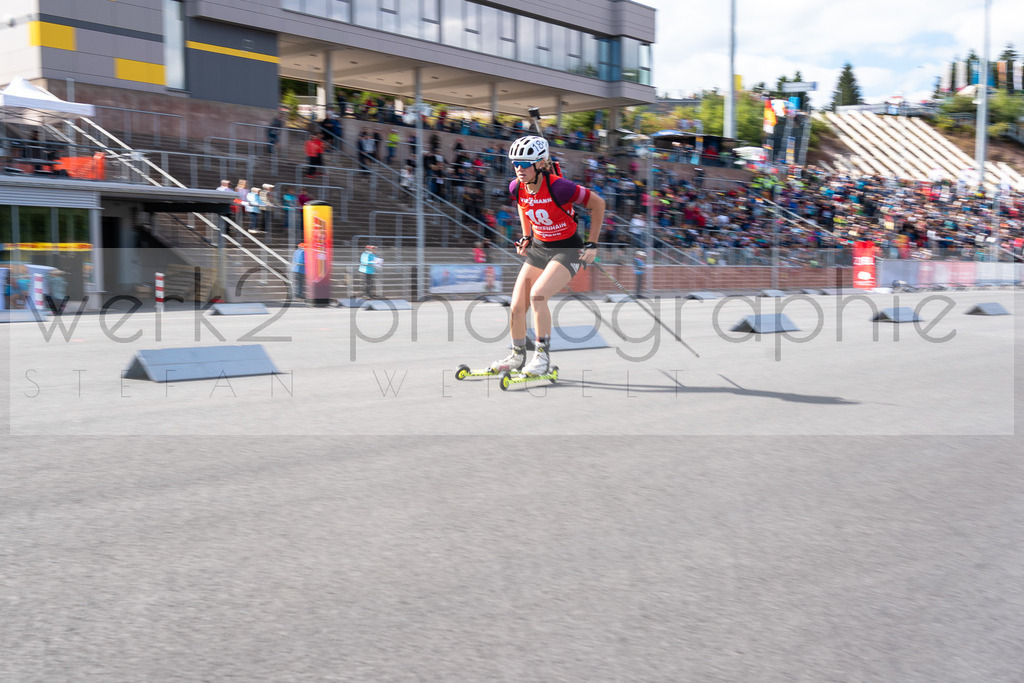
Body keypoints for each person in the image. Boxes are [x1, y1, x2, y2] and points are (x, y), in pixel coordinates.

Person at [488, 135, 605, 376]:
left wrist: (592, 243)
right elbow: (523, 203)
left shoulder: (560, 187)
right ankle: (517, 356)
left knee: (538, 296)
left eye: (524, 163)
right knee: (516, 305)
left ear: (540, 164)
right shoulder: (516, 186)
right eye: (515, 163)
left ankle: (542, 359)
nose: (518, 168)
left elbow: (598, 204)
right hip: (541, 247)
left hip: (568, 249)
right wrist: (526, 235)